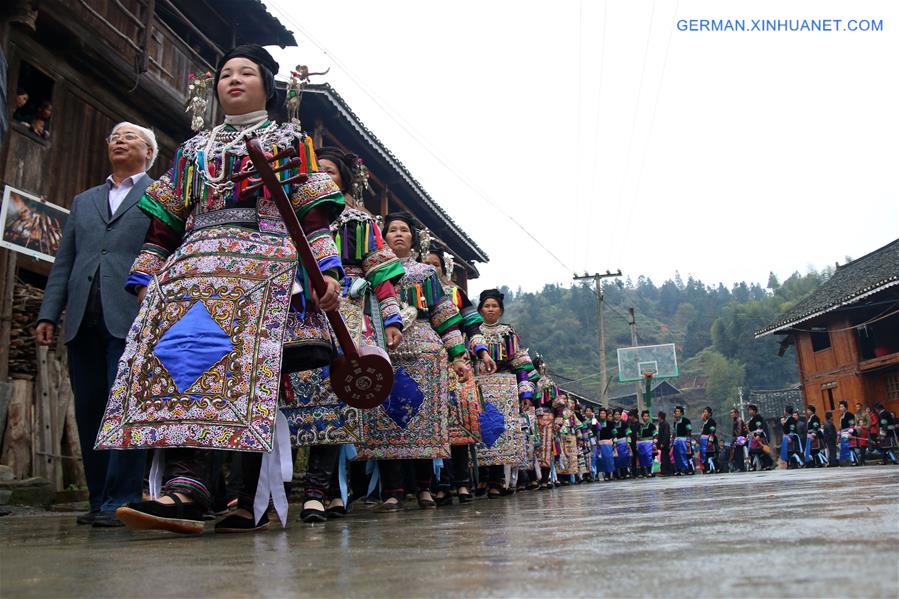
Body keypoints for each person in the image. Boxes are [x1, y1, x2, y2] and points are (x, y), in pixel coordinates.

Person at [94, 45, 345, 534]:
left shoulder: (289, 140)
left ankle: (246, 496)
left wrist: (325, 269)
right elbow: (166, 219)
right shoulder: (193, 149)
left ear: (266, 86)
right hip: (192, 269)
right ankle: (187, 487)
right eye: (225, 74)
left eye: (245, 73)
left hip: (261, 268)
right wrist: (148, 273)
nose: (232, 80)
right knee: (183, 367)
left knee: (251, 379)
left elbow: (310, 213)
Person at [36, 122, 157, 527]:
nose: (119, 141)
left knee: (123, 408)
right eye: (114, 137)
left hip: (131, 316)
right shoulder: (84, 200)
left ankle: (121, 500)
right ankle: (97, 498)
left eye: (130, 137)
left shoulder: (159, 197)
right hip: (82, 318)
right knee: (90, 408)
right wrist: (49, 313)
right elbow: (64, 261)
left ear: (149, 152)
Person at [279, 147, 405, 522]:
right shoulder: (288, 211)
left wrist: (393, 319)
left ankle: (318, 491)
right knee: (289, 397)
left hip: (342, 310)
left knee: (334, 398)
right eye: (316, 169)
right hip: (294, 305)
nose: (322, 176)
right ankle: (292, 488)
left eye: (330, 171)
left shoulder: (359, 222)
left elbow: (380, 275)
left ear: (344, 182)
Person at [355, 213, 481, 511]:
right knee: (385, 417)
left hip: (425, 348)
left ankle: (425, 487)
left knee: (423, 417)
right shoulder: (371, 270)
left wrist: (458, 356)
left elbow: (444, 314)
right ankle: (393, 490)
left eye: (404, 230)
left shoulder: (426, 273)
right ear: (381, 237)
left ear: (413, 238)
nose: (398, 234)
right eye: (391, 230)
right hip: (383, 347)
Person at [423, 249, 492, 505]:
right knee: (430, 425)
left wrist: (482, 352)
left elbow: (472, 326)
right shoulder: (415, 286)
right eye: (427, 263)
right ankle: (438, 485)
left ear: (444, 269)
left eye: (436, 265)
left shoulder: (455, 293)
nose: (432, 268)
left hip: (457, 363)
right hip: (426, 362)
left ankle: (461, 483)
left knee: (459, 425)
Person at [475, 289, 538, 497]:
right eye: (486, 306)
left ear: (500, 310)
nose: (490, 309)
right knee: (480, 432)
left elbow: (520, 364)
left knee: (499, 433)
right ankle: (483, 477)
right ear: (480, 309)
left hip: (503, 387)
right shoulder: (473, 332)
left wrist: (525, 394)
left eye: (494, 306)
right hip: (478, 387)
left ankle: (498, 479)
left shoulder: (508, 333)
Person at [746, 404, 773, 470]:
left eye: (750, 410)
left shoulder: (758, 418)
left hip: (759, 438)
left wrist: (758, 435)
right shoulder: (751, 419)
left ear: (754, 411)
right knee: (753, 452)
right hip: (753, 437)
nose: (749, 411)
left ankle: (766, 465)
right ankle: (755, 465)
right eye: (748, 410)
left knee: (761, 451)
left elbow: (760, 428)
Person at [671, 406, 693, 475]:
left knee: (683, 455)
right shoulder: (675, 422)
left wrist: (688, 441)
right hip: (676, 441)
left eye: (678, 411)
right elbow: (674, 433)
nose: (677, 413)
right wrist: (672, 442)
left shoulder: (686, 421)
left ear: (682, 413)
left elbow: (689, 431)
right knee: (676, 455)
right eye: (676, 411)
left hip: (684, 440)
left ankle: (685, 469)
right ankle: (679, 469)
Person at [595, 407, 615, 481]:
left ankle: (608, 474)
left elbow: (614, 433)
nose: (602, 414)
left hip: (607, 444)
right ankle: (597, 474)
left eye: (604, 413)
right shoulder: (596, 422)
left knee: (608, 459)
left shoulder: (610, 423)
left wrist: (614, 441)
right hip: (598, 443)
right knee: (599, 459)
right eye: (601, 413)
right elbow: (593, 430)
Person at [612, 408, 632, 479]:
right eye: (615, 414)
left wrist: (628, 442)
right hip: (615, 443)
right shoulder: (611, 423)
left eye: (618, 414)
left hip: (623, 442)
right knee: (616, 459)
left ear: (620, 415)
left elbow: (628, 433)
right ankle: (617, 474)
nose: (617, 416)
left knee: (624, 458)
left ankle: (625, 472)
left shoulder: (624, 423)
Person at [635, 410, 656, 477]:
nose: (646, 417)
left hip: (649, 443)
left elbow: (655, 434)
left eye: (647, 416)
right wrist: (637, 444)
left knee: (648, 457)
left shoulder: (652, 425)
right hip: (641, 444)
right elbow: (638, 436)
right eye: (644, 416)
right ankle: (643, 472)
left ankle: (650, 472)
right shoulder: (640, 426)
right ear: (642, 417)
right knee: (642, 458)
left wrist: (654, 443)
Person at [699, 406, 719, 474]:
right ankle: (707, 468)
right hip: (704, 441)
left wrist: (710, 441)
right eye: (703, 412)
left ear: (710, 413)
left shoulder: (711, 421)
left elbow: (712, 432)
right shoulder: (705, 422)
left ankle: (712, 468)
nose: (704, 414)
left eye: (705, 412)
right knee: (705, 455)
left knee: (710, 455)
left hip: (709, 441)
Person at [838, 401, 858, 466]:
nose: (840, 408)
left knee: (851, 448)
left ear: (846, 407)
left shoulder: (849, 414)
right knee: (846, 448)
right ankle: (849, 461)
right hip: (844, 433)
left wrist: (850, 433)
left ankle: (854, 461)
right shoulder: (841, 416)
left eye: (842, 406)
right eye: (840, 407)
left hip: (849, 433)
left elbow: (852, 424)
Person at [729, 408, 748, 473]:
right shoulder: (735, 420)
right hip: (737, 439)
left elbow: (739, 431)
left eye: (732, 412)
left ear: (736, 413)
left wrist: (736, 440)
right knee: (737, 453)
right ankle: (740, 467)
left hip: (739, 439)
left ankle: (741, 467)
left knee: (738, 453)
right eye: (731, 413)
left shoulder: (738, 420)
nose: (731, 414)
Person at [657, 411, 672, 476]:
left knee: (665, 457)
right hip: (663, 444)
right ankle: (665, 470)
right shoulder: (661, 424)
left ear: (660, 417)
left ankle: (666, 471)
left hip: (665, 444)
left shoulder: (665, 424)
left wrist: (663, 443)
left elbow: (666, 435)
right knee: (664, 457)